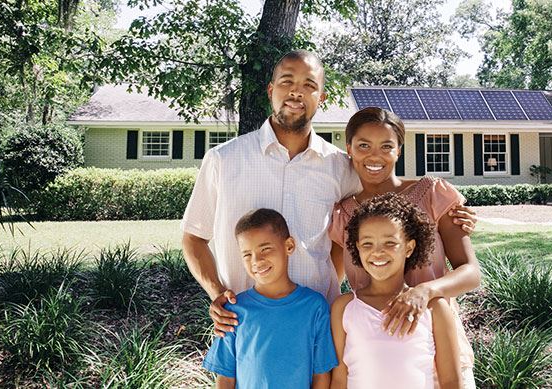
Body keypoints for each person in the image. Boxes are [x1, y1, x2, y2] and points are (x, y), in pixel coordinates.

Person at [180, 50, 476, 336]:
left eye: (309, 85)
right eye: (287, 82)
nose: (296, 92)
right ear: (271, 90)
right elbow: (194, 236)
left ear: (321, 97)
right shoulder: (223, 159)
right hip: (245, 320)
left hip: (319, 322)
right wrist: (217, 292)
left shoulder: (339, 166)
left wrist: (447, 203)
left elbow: (384, 186)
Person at [328, 107, 480, 388]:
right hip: (373, 364)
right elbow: (331, 284)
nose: (375, 155)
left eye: (387, 146)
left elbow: (471, 272)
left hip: (438, 354)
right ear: (348, 148)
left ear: (399, 150)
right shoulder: (343, 216)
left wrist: (425, 291)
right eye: (364, 145)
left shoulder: (433, 194)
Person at [330, 193, 461, 389]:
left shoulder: (435, 309)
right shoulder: (344, 307)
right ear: (357, 248)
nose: (377, 252)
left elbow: (451, 381)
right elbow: (339, 379)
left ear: (409, 248)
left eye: (390, 243)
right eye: (367, 244)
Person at [203, 208, 337, 389]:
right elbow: (225, 378)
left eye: (265, 249)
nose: (257, 261)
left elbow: (321, 375)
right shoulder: (234, 311)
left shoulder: (315, 307)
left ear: (289, 246)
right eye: (247, 254)